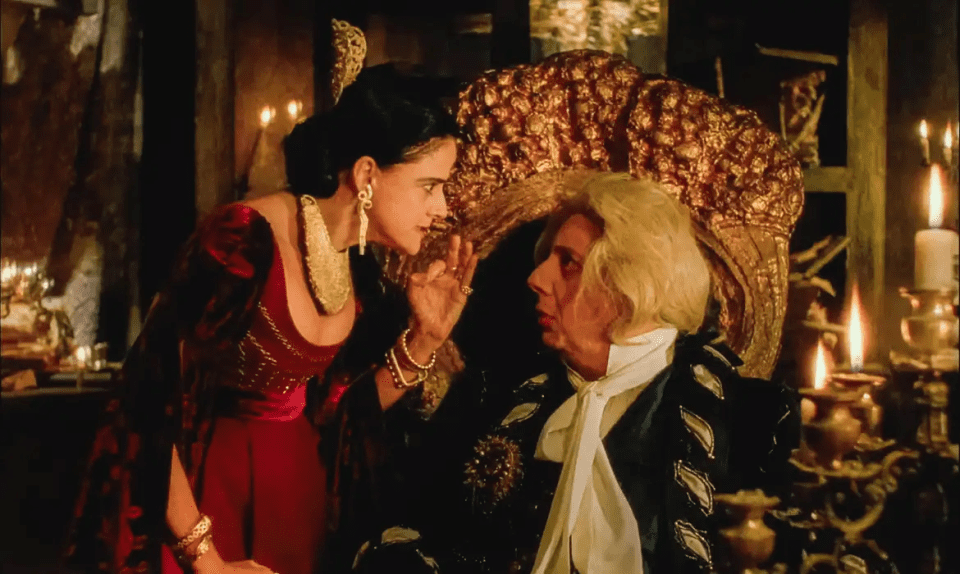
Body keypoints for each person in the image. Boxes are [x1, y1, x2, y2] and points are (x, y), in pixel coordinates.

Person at [65, 63, 479, 574]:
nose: (442, 207)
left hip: (299, 507)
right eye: (430, 186)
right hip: (214, 504)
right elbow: (146, 401)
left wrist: (424, 339)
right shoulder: (244, 239)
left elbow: (337, 417)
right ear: (366, 174)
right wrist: (206, 559)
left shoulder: (355, 264)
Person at [352, 172, 799, 574]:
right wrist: (423, 340)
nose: (537, 278)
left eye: (568, 262)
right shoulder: (494, 396)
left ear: (631, 283)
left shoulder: (753, 421)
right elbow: (401, 514)